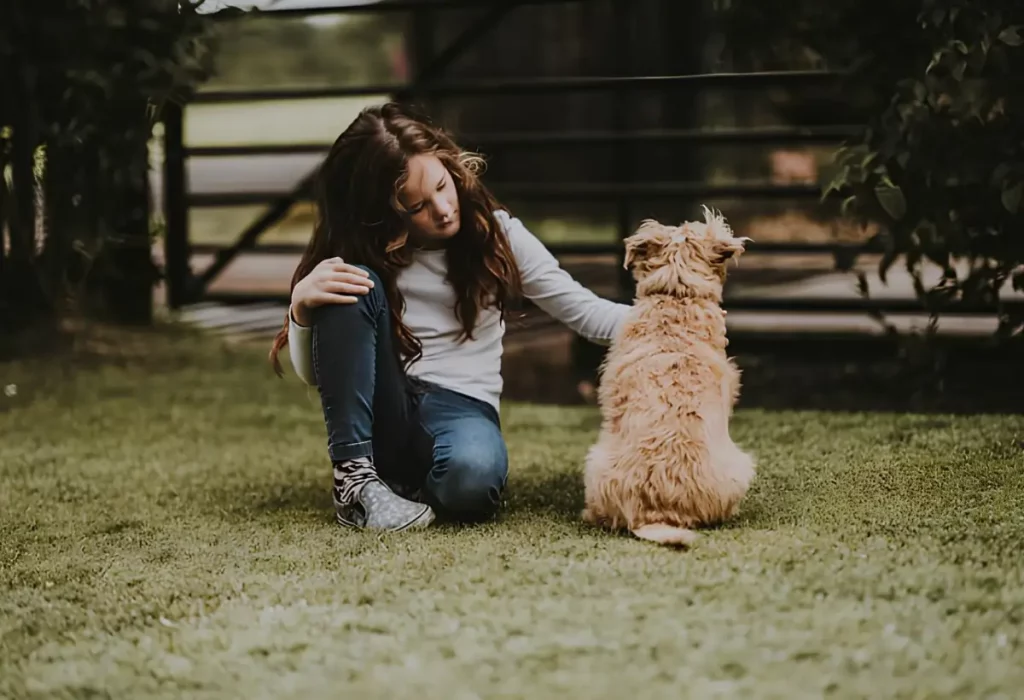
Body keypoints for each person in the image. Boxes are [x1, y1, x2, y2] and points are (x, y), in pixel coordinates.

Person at [269, 102, 630, 532]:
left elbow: (587, 312)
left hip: (463, 406)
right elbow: (316, 376)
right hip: (387, 403)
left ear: (452, 167)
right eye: (417, 206)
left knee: (472, 483)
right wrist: (302, 310)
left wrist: (678, 320)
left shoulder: (499, 237)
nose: (442, 209)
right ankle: (356, 483)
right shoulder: (360, 255)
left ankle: (400, 487)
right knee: (350, 280)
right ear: (383, 213)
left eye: (442, 185)